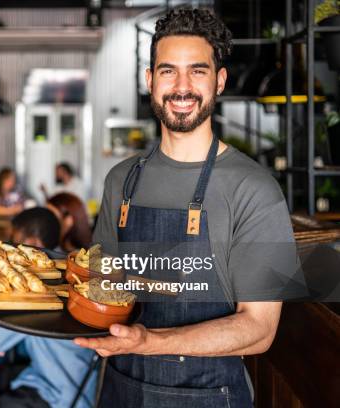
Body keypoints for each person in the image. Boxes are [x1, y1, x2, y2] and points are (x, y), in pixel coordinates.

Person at [74, 8, 303, 408]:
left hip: (211, 396)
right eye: (168, 71)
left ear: (220, 81)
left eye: (197, 71)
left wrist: (150, 342)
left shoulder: (255, 189)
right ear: (149, 81)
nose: (182, 87)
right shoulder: (120, 181)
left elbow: (259, 329)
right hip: (121, 390)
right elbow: (101, 287)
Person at [0, 207, 97, 408]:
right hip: (60, 384)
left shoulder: (42, 290)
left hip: (59, 398)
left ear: (33, 244)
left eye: (13, 240)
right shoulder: (64, 269)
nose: (7, 248)